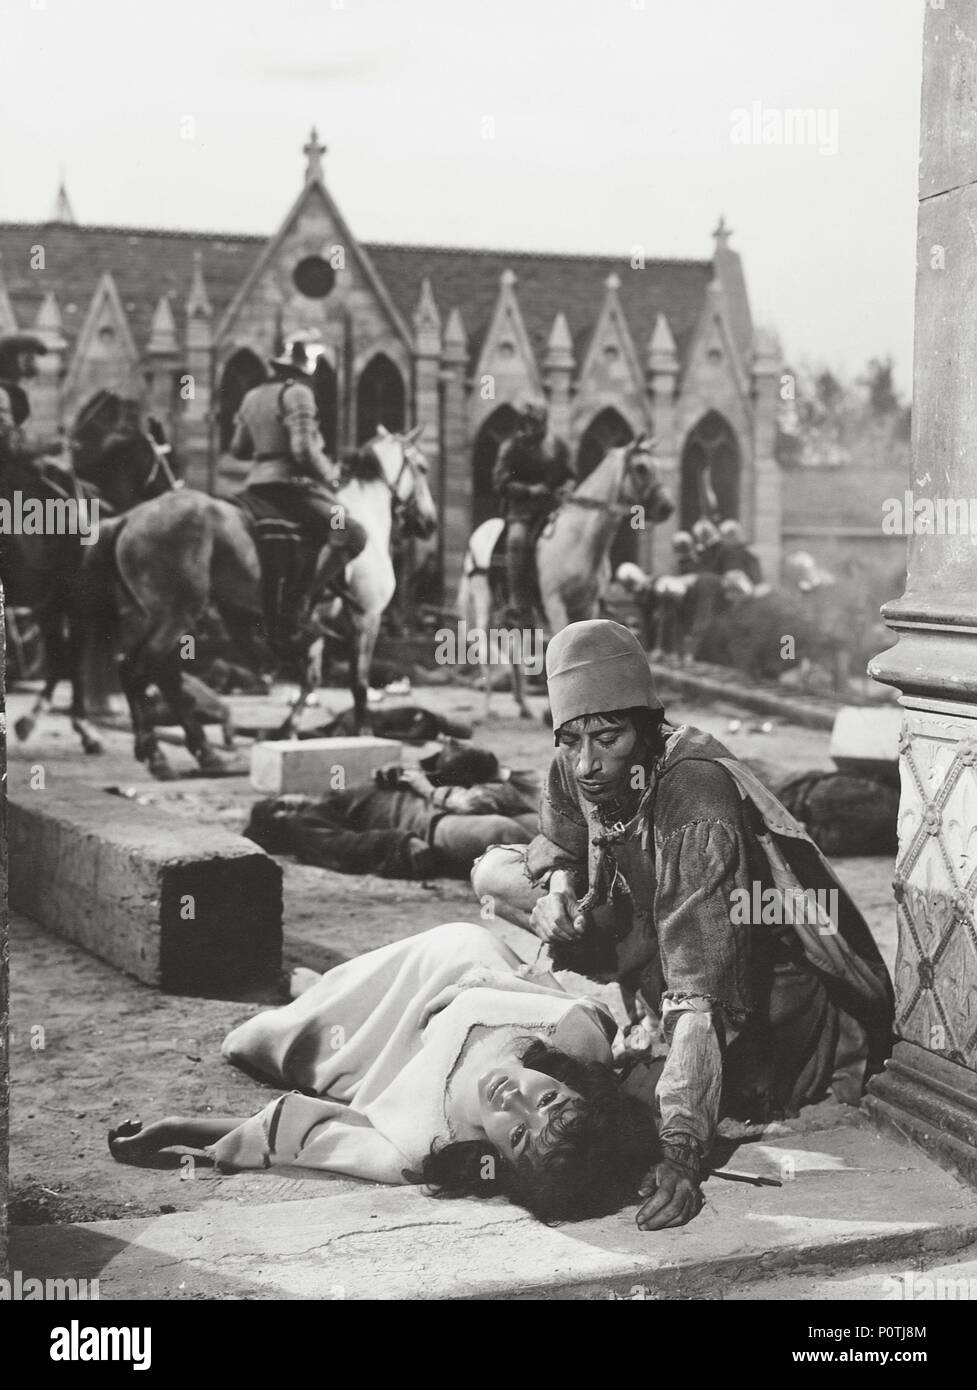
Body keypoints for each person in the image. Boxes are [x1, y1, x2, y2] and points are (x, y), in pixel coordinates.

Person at [471, 619, 894, 1230]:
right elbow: (558, 843)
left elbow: (701, 996)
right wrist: (558, 891)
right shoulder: (577, 761)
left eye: (609, 739)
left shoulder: (695, 801)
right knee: (491, 875)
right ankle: (642, 1001)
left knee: (648, 1096)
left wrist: (681, 1153)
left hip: (759, 994)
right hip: (656, 932)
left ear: (646, 724)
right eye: (571, 740)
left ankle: (709, 1067)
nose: (588, 763)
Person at [108, 922, 657, 1224]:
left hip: (385, 1060)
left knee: (251, 1043)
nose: (513, 1096)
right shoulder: (578, 1039)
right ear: (570, 1084)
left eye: (516, 1133)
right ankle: (324, 986)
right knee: (461, 941)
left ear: (498, 1160)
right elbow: (551, 994)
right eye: (547, 1101)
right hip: (448, 968)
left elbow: (310, 1134)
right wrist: (482, 986)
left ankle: (317, 994)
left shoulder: (424, 1149)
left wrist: (181, 1128)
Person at [230, 335, 367, 622]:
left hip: (255, 486)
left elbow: (238, 449)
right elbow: (303, 450)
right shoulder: (297, 394)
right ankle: (299, 599)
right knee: (351, 531)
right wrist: (330, 475)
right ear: (302, 372)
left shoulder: (252, 396)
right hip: (289, 487)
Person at [246, 746, 540, 878]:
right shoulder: (307, 824)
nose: (290, 807)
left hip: (443, 803)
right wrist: (399, 843)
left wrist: (400, 775)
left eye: (281, 802)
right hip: (430, 824)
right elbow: (345, 846)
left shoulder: (335, 797)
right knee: (504, 833)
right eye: (281, 814)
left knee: (537, 822)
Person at [492, 400, 574, 621]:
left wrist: (566, 489)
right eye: (528, 422)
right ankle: (518, 600)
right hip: (521, 510)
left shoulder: (557, 446)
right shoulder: (511, 447)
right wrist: (529, 490)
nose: (531, 427)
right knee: (516, 541)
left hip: (553, 508)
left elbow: (570, 475)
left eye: (535, 422)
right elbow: (500, 482)